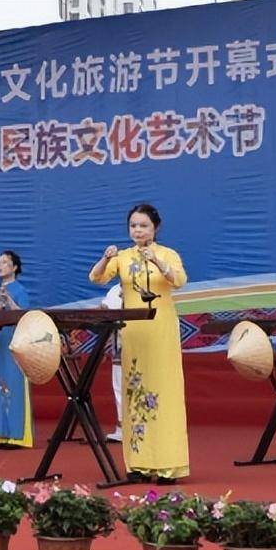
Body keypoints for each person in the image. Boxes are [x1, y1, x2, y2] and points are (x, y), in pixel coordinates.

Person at [89, 204, 189, 484]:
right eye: (133, 225)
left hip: (161, 329)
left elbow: (179, 280)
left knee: (164, 392)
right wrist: (105, 258)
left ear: (155, 227)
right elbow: (96, 278)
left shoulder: (167, 254)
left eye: (143, 226)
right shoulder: (123, 257)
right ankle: (139, 464)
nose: (138, 230)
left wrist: (157, 261)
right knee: (135, 392)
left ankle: (168, 465)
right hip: (133, 331)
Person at [0, 250, 32, 448]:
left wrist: (8, 299)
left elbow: (24, 315)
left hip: (14, 342)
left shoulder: (19, 290)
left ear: (14, 267)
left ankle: (17, 436)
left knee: (13, 384)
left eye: (4, 262)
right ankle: (0, 435)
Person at [100, 284, 124, 443]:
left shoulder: (145, 286)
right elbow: (106, 315)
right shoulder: (115, 290)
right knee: (120, 387)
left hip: (140, 346)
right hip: (121, 347)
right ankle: (123, 428)